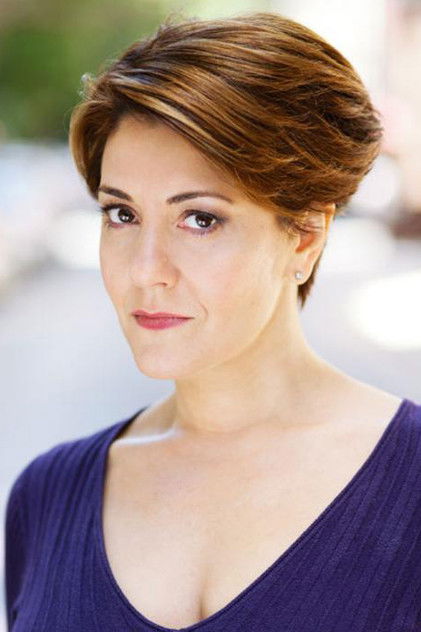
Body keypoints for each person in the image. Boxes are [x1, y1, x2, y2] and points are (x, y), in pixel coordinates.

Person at [4, 10, 421, 632]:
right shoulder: (46, 498)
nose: (146, 270)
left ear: (306, 236)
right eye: (121, 214)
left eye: (200, 219)